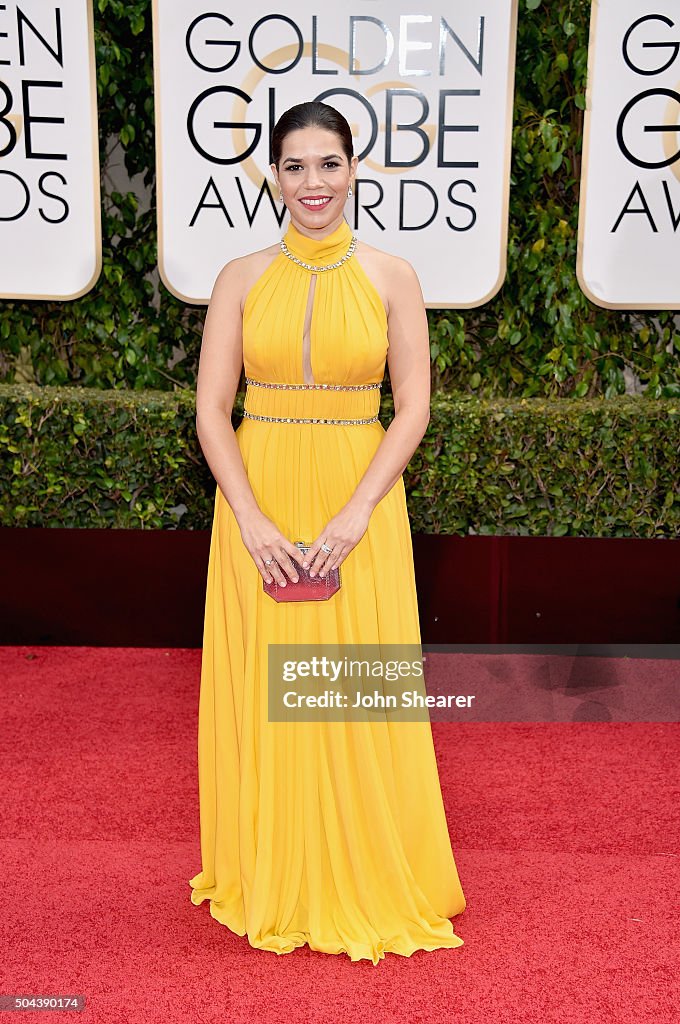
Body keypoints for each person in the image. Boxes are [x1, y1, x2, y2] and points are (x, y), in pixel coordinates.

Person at [189, 100, 466, 964]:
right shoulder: (238, 276)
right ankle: (273, 869)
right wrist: (250, 516)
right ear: (272, 174)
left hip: (365, 504)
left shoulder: (393, 276)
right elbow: (209, 412)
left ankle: (364, 870)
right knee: (268, 690)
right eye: (295, 166)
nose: (313, 183)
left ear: (356, 170)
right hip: (257, 506)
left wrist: (357, 512)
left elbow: (414, 408)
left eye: (329, 164)